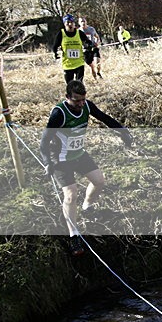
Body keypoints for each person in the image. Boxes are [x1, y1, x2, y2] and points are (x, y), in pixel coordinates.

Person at [39, 80, 134, 256]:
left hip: (79, 155)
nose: (81, 104)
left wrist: (122, 131)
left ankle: (87, 207)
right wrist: (47, 162)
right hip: (60, 159)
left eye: (83, 100)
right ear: (67, 97)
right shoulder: (59, 114)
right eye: (76, 101)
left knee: (99, 181)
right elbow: (44, 142)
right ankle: (73, 235)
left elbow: (105, 118)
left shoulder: (87, 106)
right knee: (70, 195)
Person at [52, 14, 90, 84]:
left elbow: (88, 43)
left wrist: (88, 51)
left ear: (74, 23)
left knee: (79, 83)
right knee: (69, 85)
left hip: (79, 63)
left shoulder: (79, 33)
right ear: (64, 24)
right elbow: (55, 46)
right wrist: (55, 53)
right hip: (67, 64)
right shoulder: (61, 34)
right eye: (67, 22)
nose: (70, 24)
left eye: (71, 22)